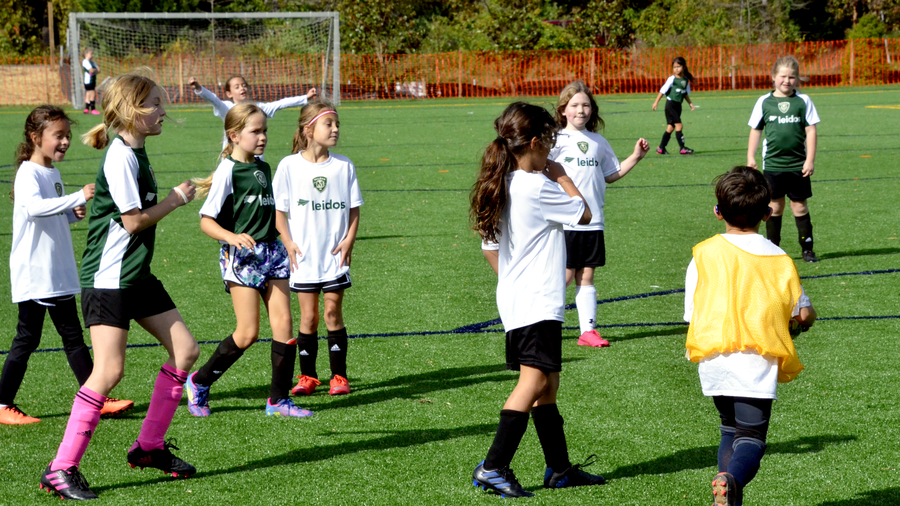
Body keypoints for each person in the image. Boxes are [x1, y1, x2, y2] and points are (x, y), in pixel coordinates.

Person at [39, 72, 200, 501]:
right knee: (109, 372)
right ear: (134, 111)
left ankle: (148, 448)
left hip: (135, 275)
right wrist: (176, 199)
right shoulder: (121, 157)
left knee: (185, 350)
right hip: (109, 279)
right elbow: (132, 221)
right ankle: (61, 467)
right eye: (157, 105)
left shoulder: (136, 151)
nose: (165, 111)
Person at [470, 102, 606, 498]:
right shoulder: (535, 185)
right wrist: (562, 175)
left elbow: (488, 246)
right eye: (548, 141)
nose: (552, 150)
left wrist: (513, 280)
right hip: (537, 300)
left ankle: (559, 468)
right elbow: (583, 213)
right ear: (532, 143)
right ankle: (493, 467)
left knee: (548, 385)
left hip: (519, 298)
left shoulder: (506, 182)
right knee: (533, 381)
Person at [684, 166, 816, 506]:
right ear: (768, 212)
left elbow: (692, 312)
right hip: (755, 360)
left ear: (718, 212)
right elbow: (801, 313)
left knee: (729, 429)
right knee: (751, 437)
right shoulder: (779, 259)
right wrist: (805, 320)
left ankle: (727, 499)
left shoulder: (703, 253)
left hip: (712, 356)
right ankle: (731, 478)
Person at [2, 105, 132, 425]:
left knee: (72, 336)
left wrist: (67, 215)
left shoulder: (51, 173)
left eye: (67, 136)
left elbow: (48, 213)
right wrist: (77, 198)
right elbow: (33, 209)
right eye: (58, 136)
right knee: (27, 339)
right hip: (36, 274)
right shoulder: (28, 172)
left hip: (56, 272)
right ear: (36, 137)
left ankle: (95, 398)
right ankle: (2, 404)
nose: (65, 142)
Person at [184, 103, 310, 419]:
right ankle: (199, 382)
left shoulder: (263, 166)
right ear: (234, 135)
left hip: (273, 252)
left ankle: (278, 401)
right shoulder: (229, 170)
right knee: (248, 333)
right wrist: (231, 237)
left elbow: (274, 211)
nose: (262, 137)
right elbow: (206, 220)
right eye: (255, 131)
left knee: (284, 324)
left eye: (264, 130)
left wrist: (287, 239)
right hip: (243, 258)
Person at [273, 100, 362, 397]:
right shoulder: (289, 166)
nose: (335, 129)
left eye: (337, 125)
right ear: (308, 129)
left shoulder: (344, 165)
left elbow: (353, 209)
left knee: (333, 313)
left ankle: (339, 377)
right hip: (304, 256)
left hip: (334, 254)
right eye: (329, 124)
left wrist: (349, 238)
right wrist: (288, 242)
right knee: (308, 317)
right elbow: (280, 212)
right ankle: (308, 377)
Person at [551, 81, 649, 348]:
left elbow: (610, 175)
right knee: (566, 275)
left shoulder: (598, 141)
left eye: (585, 105)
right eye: (574, 105)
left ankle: (588, 332)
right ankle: (547, 325)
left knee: (587, 276)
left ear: (592, 110)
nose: (580, 110)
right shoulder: (556, 141)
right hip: (566, 220)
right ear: (563, 110)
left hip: (593, 221)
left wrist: (636, 156)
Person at [747, 55, 820, 263]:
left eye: (792, 77)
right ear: (773, 77)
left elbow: (811, 130)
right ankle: (773, 250)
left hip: (798, 166)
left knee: (800, 207)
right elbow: (756, 130)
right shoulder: (764, 102)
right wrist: (750, 157)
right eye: (783, 76)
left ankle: (807, 249)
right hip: (773, 166)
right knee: (774, 207)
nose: (787, 81)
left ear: (796, 79)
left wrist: (810, 160)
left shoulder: (803, 101)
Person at [188, 75, 317, 150]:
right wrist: (198, 88)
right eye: (237, 87)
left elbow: (280, 103)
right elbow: (213, 99)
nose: (242, 88)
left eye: (244, 85)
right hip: (232, 156)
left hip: (255, 158)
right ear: (229, 94)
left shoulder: (257, 108)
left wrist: (305, 98)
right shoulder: (227, 109)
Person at [652, 56, 695, 155]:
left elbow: (684, 94)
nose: (676, 69)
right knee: (679, 126)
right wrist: (656, 102)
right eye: (674, 67)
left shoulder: (685, 80)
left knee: (670, 128)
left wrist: (690, 103)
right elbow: (663, 90)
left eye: (678, 66)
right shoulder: (672, 79)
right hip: (670, 105)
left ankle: (661, 148)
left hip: (678, 106)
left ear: (684, 67)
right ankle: (682, 148)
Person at [82, 48, 100, 115]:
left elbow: (98, 70)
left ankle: (86, 109)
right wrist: (95, 70)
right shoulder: (85, 61)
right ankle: (93, 109)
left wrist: (94, 70)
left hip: (92, 80)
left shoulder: (93, 63)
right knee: (92, 94)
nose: (92, 55)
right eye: (91, 53)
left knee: (88, 94)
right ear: (86, 54)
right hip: (88, 80)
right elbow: (91, 70)